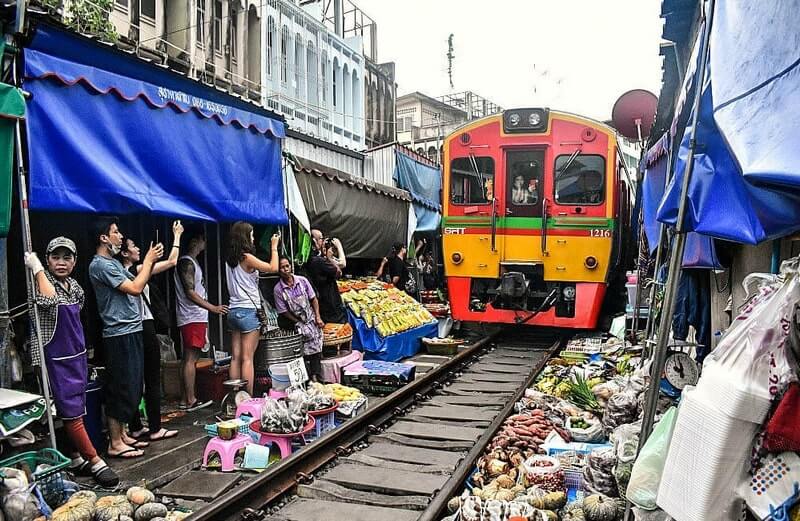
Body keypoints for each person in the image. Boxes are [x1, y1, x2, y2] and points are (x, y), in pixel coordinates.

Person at [25, 238, 119, 486]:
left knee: (77, 407)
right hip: (52, 359)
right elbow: (49, 301)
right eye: (56, 257)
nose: (61, 263)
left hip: (74, 357)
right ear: (47, 260)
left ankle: (76, 457)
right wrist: (36, 269)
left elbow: (77, 314)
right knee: (70, 414)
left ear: (75, 262)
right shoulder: (41, 283)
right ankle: (95, 460)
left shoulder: (75, 287)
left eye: (67, 258)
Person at [89, 217, 162, 459]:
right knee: (121, 387)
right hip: (119, 332)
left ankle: (121, 436)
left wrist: (150, 262)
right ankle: (114, 442)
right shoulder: (100, 265)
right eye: (116, 232)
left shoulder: (113, 263)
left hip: (130, 329)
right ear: (104, 238)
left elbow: (136, 279)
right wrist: (149, 260)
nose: (120, 237)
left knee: (131, 385)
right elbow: (135, 288)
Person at [117, 220, 183, 442]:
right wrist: (177, 235)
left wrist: (175, 237)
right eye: (134, 246)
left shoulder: (122, 272)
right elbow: (172, 262)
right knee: (152, 377)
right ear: (125, 254)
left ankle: (135, 426)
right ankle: (154, 427)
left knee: (135, 378)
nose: (138, 249)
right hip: (143, 324)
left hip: (130, 328)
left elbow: (171, 261)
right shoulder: (134, 271)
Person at [175, 227, 228, 409]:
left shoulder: (191, 262)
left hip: (193, 316)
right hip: (192, 316)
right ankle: (190, 399)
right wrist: (212, 307)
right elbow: (190, 293)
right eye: (202, 240)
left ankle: (185, 399)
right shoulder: (187, 263)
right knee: (191, 358)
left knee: (188, 357)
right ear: (195, 242)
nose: (205, 244)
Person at [225, 222, 280, 396]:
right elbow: (273, 268)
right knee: (248, 358)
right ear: (245, 237)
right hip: (249, 311)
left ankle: (235, 395)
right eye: (252, 235)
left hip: (233, 311)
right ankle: (247, 398)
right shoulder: (246, 257)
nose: (254, 238)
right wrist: (274, 247)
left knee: (235, 357)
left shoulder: (229, 259)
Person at [273, 257, 324, 382]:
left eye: (287, 266)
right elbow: (283, 311)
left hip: (311, 318)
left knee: (316, 349)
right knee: (300, 351)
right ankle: (304, 379)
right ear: (278, 270)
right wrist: (297, 322)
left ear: (291, 266)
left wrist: (317, 316)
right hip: (296, 322)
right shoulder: (278, 289)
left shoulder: (302, 281)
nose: (285, 269)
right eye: (282, 267)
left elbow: (313, 299)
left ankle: (316, 377)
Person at [305, 229, 347, 324]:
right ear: (314, 241)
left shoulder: (310, 259)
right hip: (330, 305)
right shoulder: (319, 261)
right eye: (321, 239)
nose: (323, 242)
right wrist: (330, 258)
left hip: (322, 304)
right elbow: (339, 272)